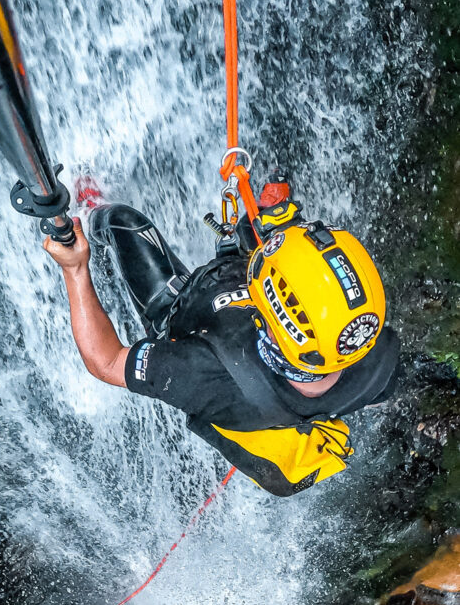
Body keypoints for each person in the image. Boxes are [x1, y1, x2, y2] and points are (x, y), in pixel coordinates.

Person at [43, 173, 400, 495]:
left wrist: (75, 270)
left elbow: (105, 360)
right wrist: (284, 226)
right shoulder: (375, 354)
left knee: (123, 222)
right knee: (258, 223)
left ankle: (90, 214)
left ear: (268, 315)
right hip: (263, 347)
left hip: (184, 315)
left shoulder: (204, 375)